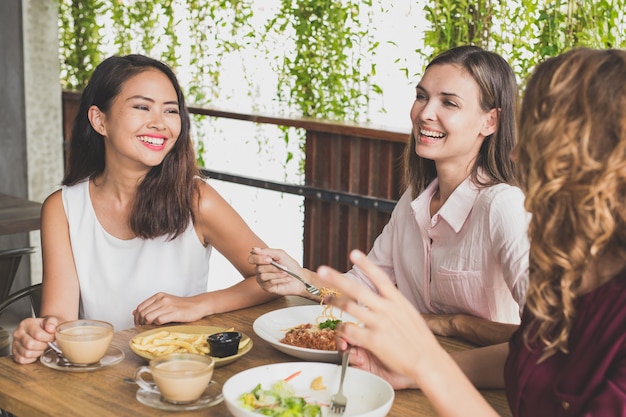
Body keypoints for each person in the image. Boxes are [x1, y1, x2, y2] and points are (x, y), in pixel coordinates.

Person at [317, 48, 626, 416]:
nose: (516, 154)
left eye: (539, 133)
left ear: (596, 157)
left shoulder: (503, 206)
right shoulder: (573, 272)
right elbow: (530, 352)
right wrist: (410, 372)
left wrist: (430, 359)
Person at [250, 45, 530, 346]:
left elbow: (546, 336)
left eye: (448, 103)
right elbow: (362, 288)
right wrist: (301, 279)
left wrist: (454, 324)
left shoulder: (503, 205)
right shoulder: (415, 198)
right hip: (405, 368)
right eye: (422, 96)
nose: (425, 113)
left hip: (483, 385)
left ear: (490, 121)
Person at [11, 54, 277, 364]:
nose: (160, 123)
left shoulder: (196, 199)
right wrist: (38, 333)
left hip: (180, 373)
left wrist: (199, 304)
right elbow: (60, 319)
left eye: (170, 110)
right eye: (142, 107)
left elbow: (273, 278)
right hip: (97, 380)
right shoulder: (62, 208)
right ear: (99, 120)